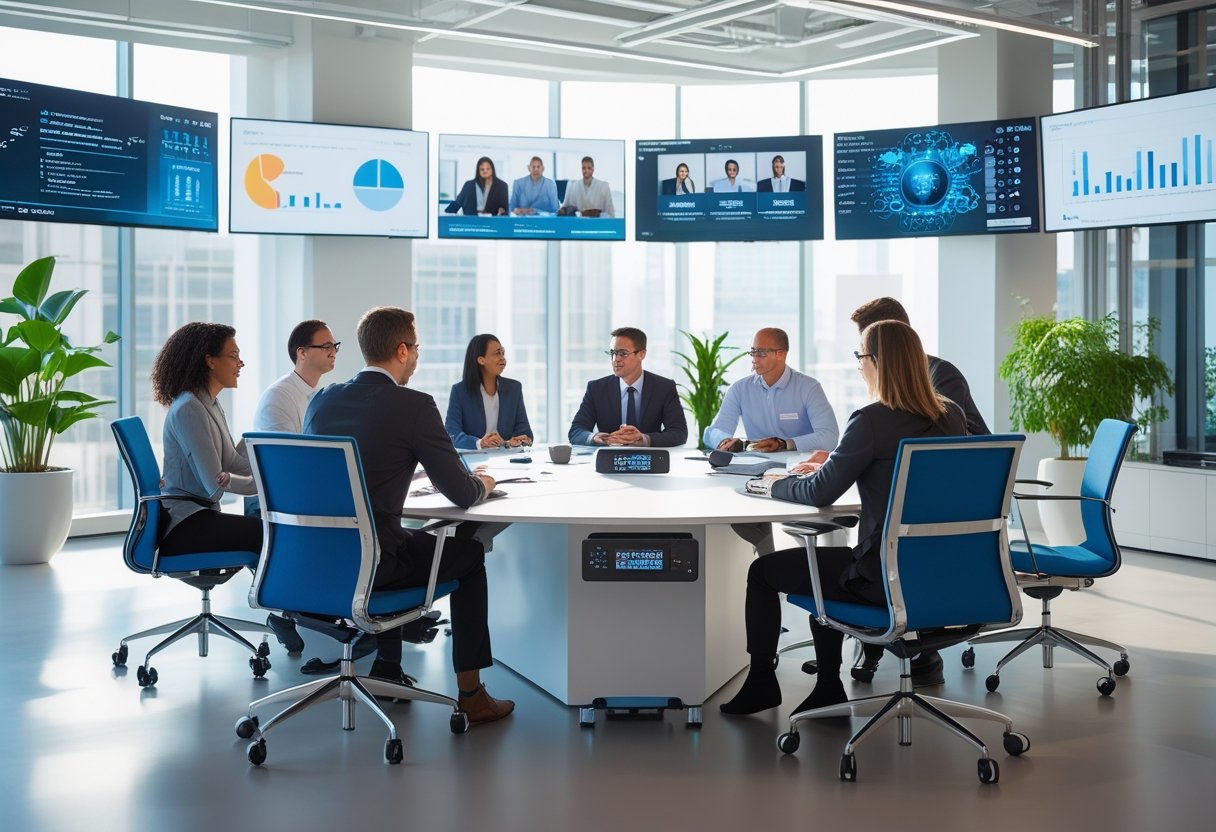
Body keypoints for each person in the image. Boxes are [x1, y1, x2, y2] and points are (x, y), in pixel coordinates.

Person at [719, 320, 966, 716]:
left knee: (766, 572)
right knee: (826, 568)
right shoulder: (951, 417)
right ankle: (826, 688)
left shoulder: (871, 420)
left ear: (879, 362)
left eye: (860, 356)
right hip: (943, 571)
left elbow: (820, 493)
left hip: (881, 577)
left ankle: (771, 683)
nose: (857, 365)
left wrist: (772, 485)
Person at [303, 306, 514, 726]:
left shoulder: (322, 400)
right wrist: (485, 483)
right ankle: (471, 694)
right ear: (402, 350)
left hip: (314, 563)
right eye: (415, 348)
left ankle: (386, 665)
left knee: (395, 534)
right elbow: (461, 491)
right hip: (378, 566)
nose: (417, 357)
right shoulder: (414, 405)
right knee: (468, 553)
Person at [246, 319, 339, 653]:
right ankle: (299, 609)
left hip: (301, 492)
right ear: (302, 353)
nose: (333, 352)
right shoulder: (280, 397)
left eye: (334, 346)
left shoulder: (321, 394)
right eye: (325, 346)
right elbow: (286, 467)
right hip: (275, 500)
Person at [152, 322, 262, 558]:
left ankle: (271, 594)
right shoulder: (189, 409)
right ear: (210, 361)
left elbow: (232, 461)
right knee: (267, 533)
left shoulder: (209, 402)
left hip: (201, 514)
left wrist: (271, 467)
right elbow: (214, 488)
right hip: (183, 524)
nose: (240, 364)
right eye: (234, 356)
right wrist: (261, 485)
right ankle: (269, 595)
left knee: (269, 530)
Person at [850, 296, 989, 436]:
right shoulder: (894, 386)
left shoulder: (940, 374)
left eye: (867, 344)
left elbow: (942, 435)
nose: (863, 357)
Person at [703, 327, 839, 454]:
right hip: (754, 467)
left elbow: (829, 436)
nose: (754, 358)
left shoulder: (809, 387)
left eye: (761, 353)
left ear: (781, 354)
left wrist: (785, 444)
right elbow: (713, 432)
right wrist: (724, 441)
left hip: (800, 468)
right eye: (753, 351)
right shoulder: (739, 389)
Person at [568, 326, 688, 447]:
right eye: (613, 353)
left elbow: (679, 432)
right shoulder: (596, 389)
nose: (616, 359)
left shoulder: (664, 388)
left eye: (623, 353)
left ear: (642, 354)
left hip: (649, 460)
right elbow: (576, 431)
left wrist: (644, 439)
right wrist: (594, 437)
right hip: (609, 460)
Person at [446, 333, 534, 449]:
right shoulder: (460, 391)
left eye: (503, 352)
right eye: (497, 353)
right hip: (474, 460)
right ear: (481, 360)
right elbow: (452, 434)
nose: (503, 358)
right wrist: (480, 443)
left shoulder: (514, 388)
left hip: (508, 460)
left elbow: (525, 431)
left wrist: (522, 440)